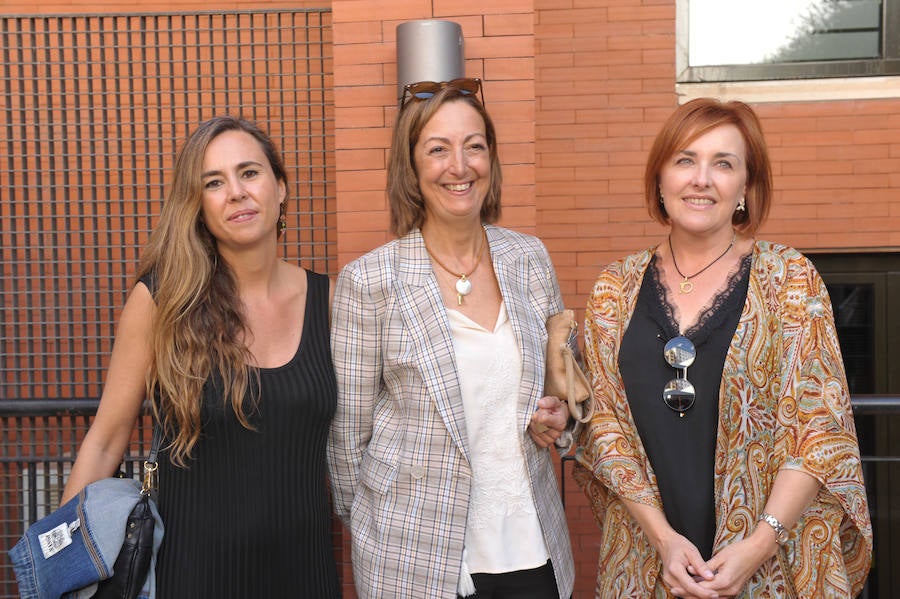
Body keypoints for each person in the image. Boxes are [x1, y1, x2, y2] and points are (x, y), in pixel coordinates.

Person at [573, 98, 873, 598]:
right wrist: (664, 540)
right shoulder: (614, 288)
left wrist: (758, 546)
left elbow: (820, 428)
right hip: (647, 562)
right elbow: (603, 427)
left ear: (745, 189)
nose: (701, 179)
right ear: (660, 178)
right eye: (685, 160)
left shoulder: (790, 280)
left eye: (724, 164)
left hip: (773, 567)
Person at [60, 116, 340, 598]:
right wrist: (63, 570)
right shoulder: (161, 303)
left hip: (306, 573)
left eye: (249, 173)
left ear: (281, 188)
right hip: (191, 577)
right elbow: (106, 441)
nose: (236, 192)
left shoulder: (333, 302)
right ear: (199, 207)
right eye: (214, 182)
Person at [327, 78, 575, 598]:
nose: (459, 167)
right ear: (412, 167)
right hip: (414, 560)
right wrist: (382, 531)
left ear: (491, 159)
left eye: (474, 147)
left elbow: (564, 386)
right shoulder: (370, 281)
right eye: (437, 149)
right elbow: (347, 443)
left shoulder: (528, 259)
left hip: (530, 545)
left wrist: (558, 416)